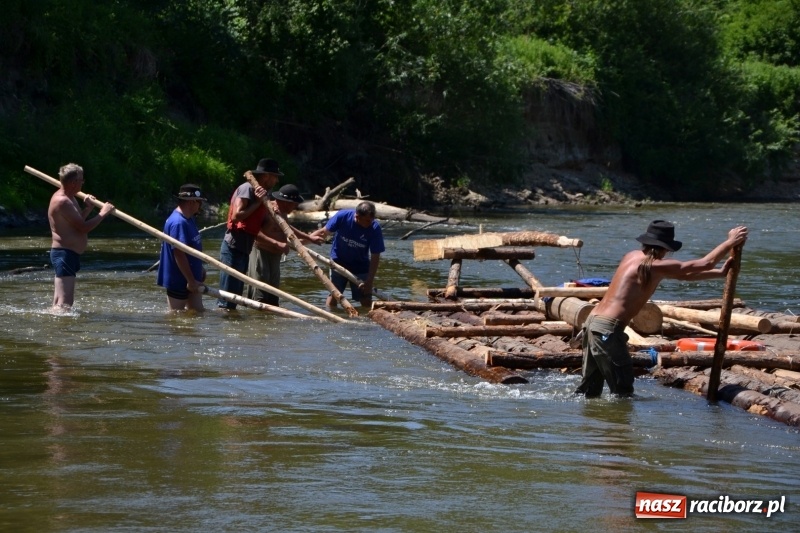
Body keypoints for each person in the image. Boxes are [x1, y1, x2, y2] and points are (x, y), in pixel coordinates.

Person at [575, 220, 748, 397]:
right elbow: (706, 262)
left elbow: (684, 276)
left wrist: (719, 273)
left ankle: (585, 422)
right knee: (623, 391)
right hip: (607, 329)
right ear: (665, 248)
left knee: (589, 390)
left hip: (592, 323)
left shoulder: (632, 256)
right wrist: (730, 242)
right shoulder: (657, 265)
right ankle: (619, 424)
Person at [47, 163, 115, 309]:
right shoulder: (62, 201)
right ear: (73, 183)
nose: (83, 183)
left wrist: (88, 208)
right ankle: (61, 329)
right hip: (63, 253)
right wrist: (103, 213)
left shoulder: (70, 198)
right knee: (65, 303)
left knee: (61, 302)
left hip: (69, 253)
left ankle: (57, 327)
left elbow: (76, 223)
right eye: (81, 180)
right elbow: (84, 228)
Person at [217, 158, 282, 310]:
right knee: (227, 298)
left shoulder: (263, 193)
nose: (277, 180)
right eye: (275, 176)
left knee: (236, 297)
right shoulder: (247, 188)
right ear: (266, 176)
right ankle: (224, 325)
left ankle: (231, 326)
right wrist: (259, 202)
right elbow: (237, 216)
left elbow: (259, 220)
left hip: (245, 247)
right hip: (233, 246)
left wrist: (272, 211)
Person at [246, 184, 323, 306]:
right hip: (261, 252)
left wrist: (309, 237)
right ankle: (257, 320)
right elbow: (253, 231)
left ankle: (270, 319)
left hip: (275, 255)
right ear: (286, 202)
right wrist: (277, 243)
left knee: (273, 292)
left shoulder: (282, 212)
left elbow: (286, 227)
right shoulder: (266, 208)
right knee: (260, 291)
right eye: (293, 203)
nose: (295, 206)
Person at [309, 200, 385, 307]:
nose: (370, 223)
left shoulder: (374, 228)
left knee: (365, 297)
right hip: (338, 263)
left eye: (372, 220)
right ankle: (329, 318)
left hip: (360, 266)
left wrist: (369, 281)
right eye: (367, 221)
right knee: (334, 294)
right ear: (357, 217)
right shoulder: (343, 216)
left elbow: (375, 256)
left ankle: (368, 321)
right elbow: (323, 232)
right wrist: (300, 241)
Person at [157, 184, 207, 312]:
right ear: (191, 202)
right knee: (176, 317)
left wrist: (199, 269)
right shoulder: (178, 222)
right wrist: (190, 281)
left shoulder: (189, 219)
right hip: (179, 279)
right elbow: (179, 253)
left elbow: (191, 248)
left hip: (193, 278)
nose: (200, 205)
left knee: (197, 313)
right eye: (199, 202)